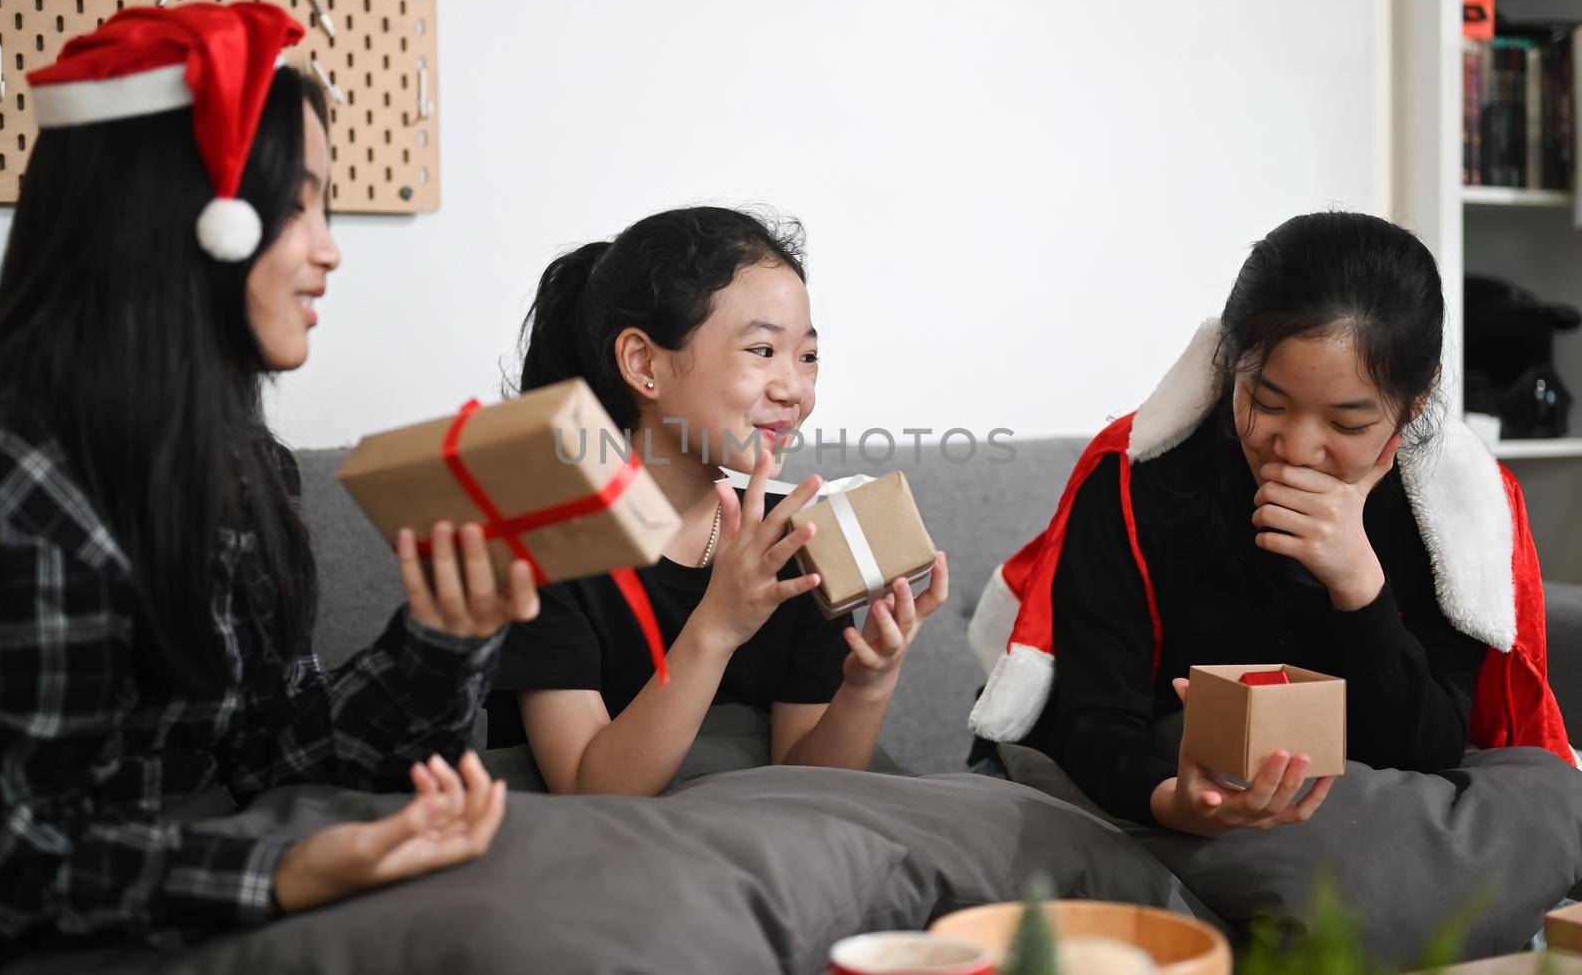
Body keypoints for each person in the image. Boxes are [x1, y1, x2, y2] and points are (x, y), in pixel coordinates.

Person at [0, 3, 537, 965]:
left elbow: (276, 751)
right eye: (297, 204)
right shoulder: (18, 485)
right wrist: (290, 873)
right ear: (188, 218)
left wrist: (445, 637)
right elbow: (9, 861)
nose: (330, 248)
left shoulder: (242, 464)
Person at [969, 210, 1576, 835]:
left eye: (1346, 425)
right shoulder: (1138, 476)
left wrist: (1359, 585)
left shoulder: (1451, 517)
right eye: (1266, 402)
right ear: (1229, 362)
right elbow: (1095, 721)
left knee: (1537, 796)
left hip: (1364, 794)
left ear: (1412, 406)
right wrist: (1176, 803)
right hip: (1153, 784)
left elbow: (1429, 754)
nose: (1297, 448)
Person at [487, 206, 949, 794]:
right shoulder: (545, 541)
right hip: (600, 851)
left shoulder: (792, 534)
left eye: (807, 356)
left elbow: (811, 791)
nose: (794, 389)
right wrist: (718, 623)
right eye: (762, 351)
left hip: (761, 844)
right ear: (643, 364)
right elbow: (591, 791)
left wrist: (869, 683)